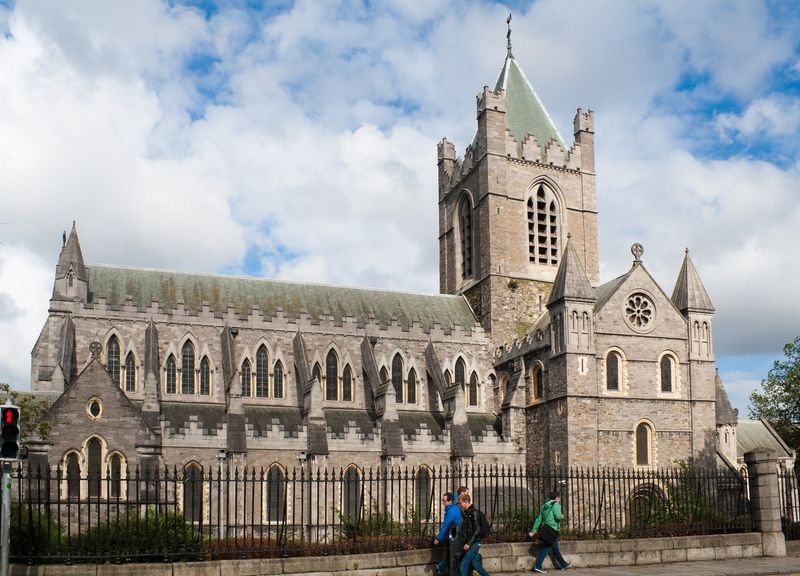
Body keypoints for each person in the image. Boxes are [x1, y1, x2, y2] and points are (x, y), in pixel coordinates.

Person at [529, 491, 572, 573]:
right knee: (546, 548)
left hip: (546, 530)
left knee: (555, 548)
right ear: (556, 498)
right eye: (559, 498)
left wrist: (533, 530)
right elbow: (558, 516)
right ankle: (538, 566)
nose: (559, 499)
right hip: (552, 530)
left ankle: (563, 565)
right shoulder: (556, 504)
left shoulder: (544, 506)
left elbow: (538, 519)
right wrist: (562, 516)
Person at [457, 493, 490, 576]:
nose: (459, 505)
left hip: (474, 543)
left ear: (465, 502)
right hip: (472, 542)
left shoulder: (473, 513)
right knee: (476, 565)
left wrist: (469, 543)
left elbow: (477, 530)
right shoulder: (468, 513)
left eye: (460, 503)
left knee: (463, 565)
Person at [434, 492, 462, 576]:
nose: (443, 502)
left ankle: (441, 570)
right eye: (442, 500)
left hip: (452, 538)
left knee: (448, 558)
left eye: (444, 501)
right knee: (450, 559)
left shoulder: (451, 511)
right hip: (454, 537)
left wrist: (438, 538)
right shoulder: (453, 508)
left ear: (450, 501)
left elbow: (446, 525)